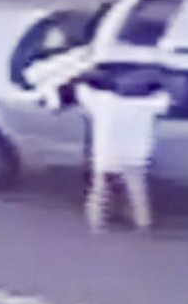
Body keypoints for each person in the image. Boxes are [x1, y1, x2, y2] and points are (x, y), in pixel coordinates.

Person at [73, 71, 171, 232]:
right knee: (137, 193)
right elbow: (164, 101)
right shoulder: (145, 105)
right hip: (135, 157)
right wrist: (159, 84)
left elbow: (83, 92)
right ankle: (143, 223)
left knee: (99, 193)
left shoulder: (104, 102)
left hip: (107, 155)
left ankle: (96, 222)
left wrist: (85, 75)